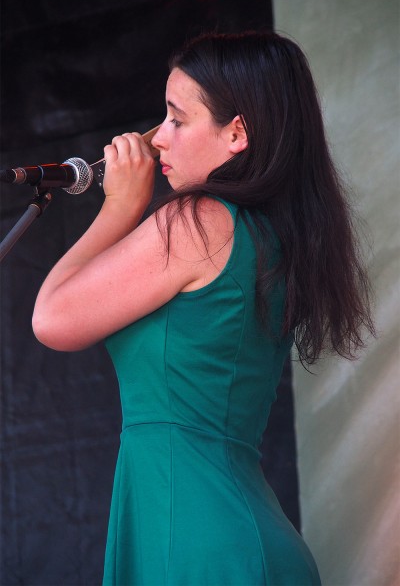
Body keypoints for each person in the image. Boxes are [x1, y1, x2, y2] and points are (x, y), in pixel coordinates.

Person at [32, 32, 374, 585]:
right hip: (229, 535)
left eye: (176, 120)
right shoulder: (265, 236)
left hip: (201, 543)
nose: (158, 139)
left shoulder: (199, 222)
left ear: (236, 133)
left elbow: (52, 319)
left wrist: (121, 206)